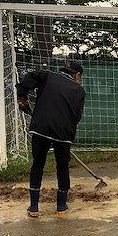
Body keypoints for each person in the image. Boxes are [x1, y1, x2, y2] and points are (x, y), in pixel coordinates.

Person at [16, 61, 86, 217]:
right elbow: (77, 116)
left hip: (40, 128)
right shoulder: (80, 91)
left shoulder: (47, 75)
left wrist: (22, 98)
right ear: (77, 75)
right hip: (63, 133)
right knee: (62, 166)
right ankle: (61, 207)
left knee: (38, 164)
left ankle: (34, 207)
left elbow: (26, 80)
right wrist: (65, 133)